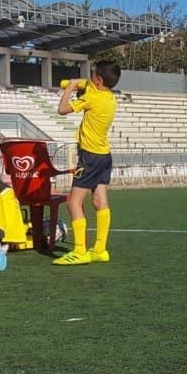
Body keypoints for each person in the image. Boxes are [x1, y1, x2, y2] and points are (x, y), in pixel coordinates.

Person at [52, 61, 120, 265]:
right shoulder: (109, 97)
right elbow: (90, 86)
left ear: (98, 79)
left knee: (73, 201)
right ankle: (99, 249)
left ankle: (80, 251)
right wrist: (82, 84)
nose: (89, 78)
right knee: (100, 200)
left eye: (92, 75)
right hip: (104, 155)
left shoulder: (92, 97)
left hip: (90, 157)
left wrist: (71, 87)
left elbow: (62, 109)